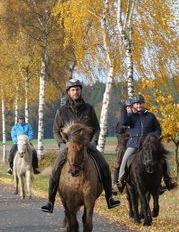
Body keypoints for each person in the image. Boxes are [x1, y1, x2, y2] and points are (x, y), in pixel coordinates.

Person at [41, 79, 121, 213]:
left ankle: (109, 198)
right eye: (72, 90)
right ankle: (50, 201)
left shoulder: (89, 109)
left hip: (87, 147)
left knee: (104, 165)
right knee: (55, 169)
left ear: (80, 91)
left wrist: (94, 142)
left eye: (77, 89)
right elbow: (55, 130)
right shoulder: (61, 111)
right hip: (69, 148)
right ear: (68, 92)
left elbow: (96, 128)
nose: (75, 92)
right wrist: (61, 144)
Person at [116, 94, 177, 192]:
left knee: (163, 159)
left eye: (140, 103)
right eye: (136, 104)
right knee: (125, 159)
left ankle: (168, 180)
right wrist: (123, 108)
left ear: (143, 104)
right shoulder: (130, 116)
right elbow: (123, 122)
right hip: (134, 143)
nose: (139, 106)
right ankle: (121, 180)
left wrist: (154, 136)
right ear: (133, 106)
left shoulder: (150, 116)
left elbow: (157, 128)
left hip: (149, 144)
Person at [112, 97, 134, 190]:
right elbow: (118, 134)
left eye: (131, 107)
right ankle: (115, 182)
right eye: (128, 108)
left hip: (135, 141)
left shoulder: (137, 118)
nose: (130, 109)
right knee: (120, 153)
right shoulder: (121, 121)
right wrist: (126, 137)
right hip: (123, 143)